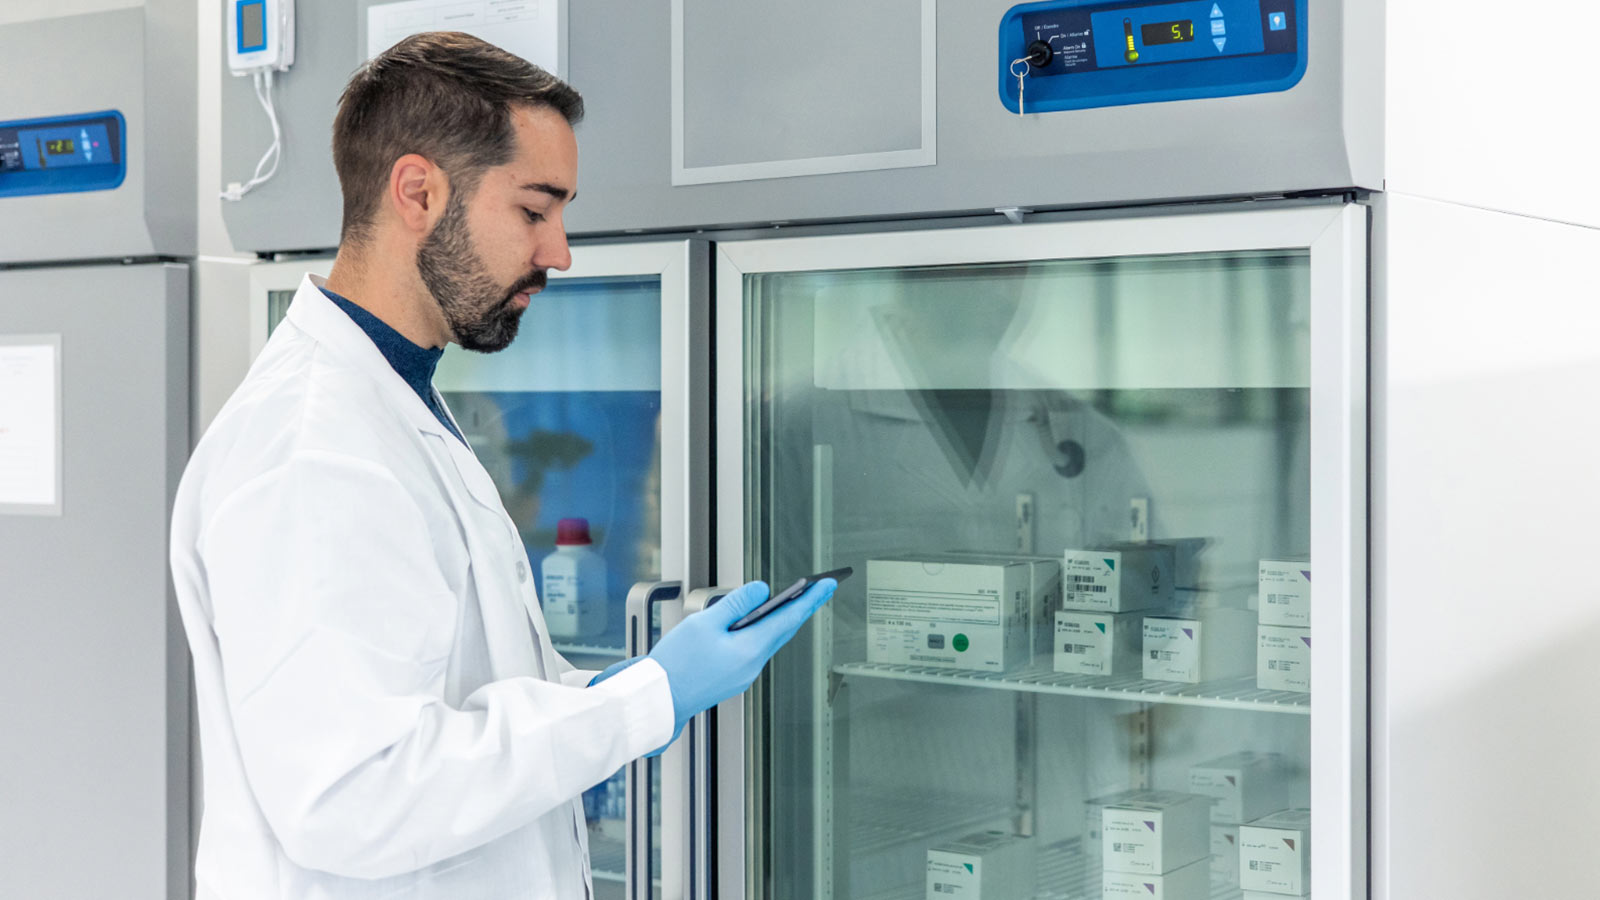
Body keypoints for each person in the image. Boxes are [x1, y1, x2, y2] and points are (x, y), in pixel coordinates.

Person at [168, 32, 834, 900]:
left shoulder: (393, 401)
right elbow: (352, 795)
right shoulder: (314, 449)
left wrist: (622, 687)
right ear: (418, 192)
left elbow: (466, 697)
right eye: (534, 209)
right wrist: (643, 701)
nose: (559, 251)